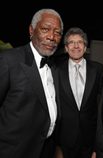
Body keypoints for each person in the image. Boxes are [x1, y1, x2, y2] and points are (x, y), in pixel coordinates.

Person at [0, 8, 64, 158]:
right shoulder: (8, 61)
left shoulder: (55, 68)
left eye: (57, 32)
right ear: (31, 30)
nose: (51, 37)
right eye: (45, 29)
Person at [54, 27, 103, 158]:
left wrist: (98, 144)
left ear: (85, 47)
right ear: (66, 48)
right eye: (71, 42)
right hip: (64, 140)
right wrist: (56, 145)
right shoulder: (56, 70)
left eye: (80, 42)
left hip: (89, 139)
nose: (76, 46)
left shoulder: (98, 69)